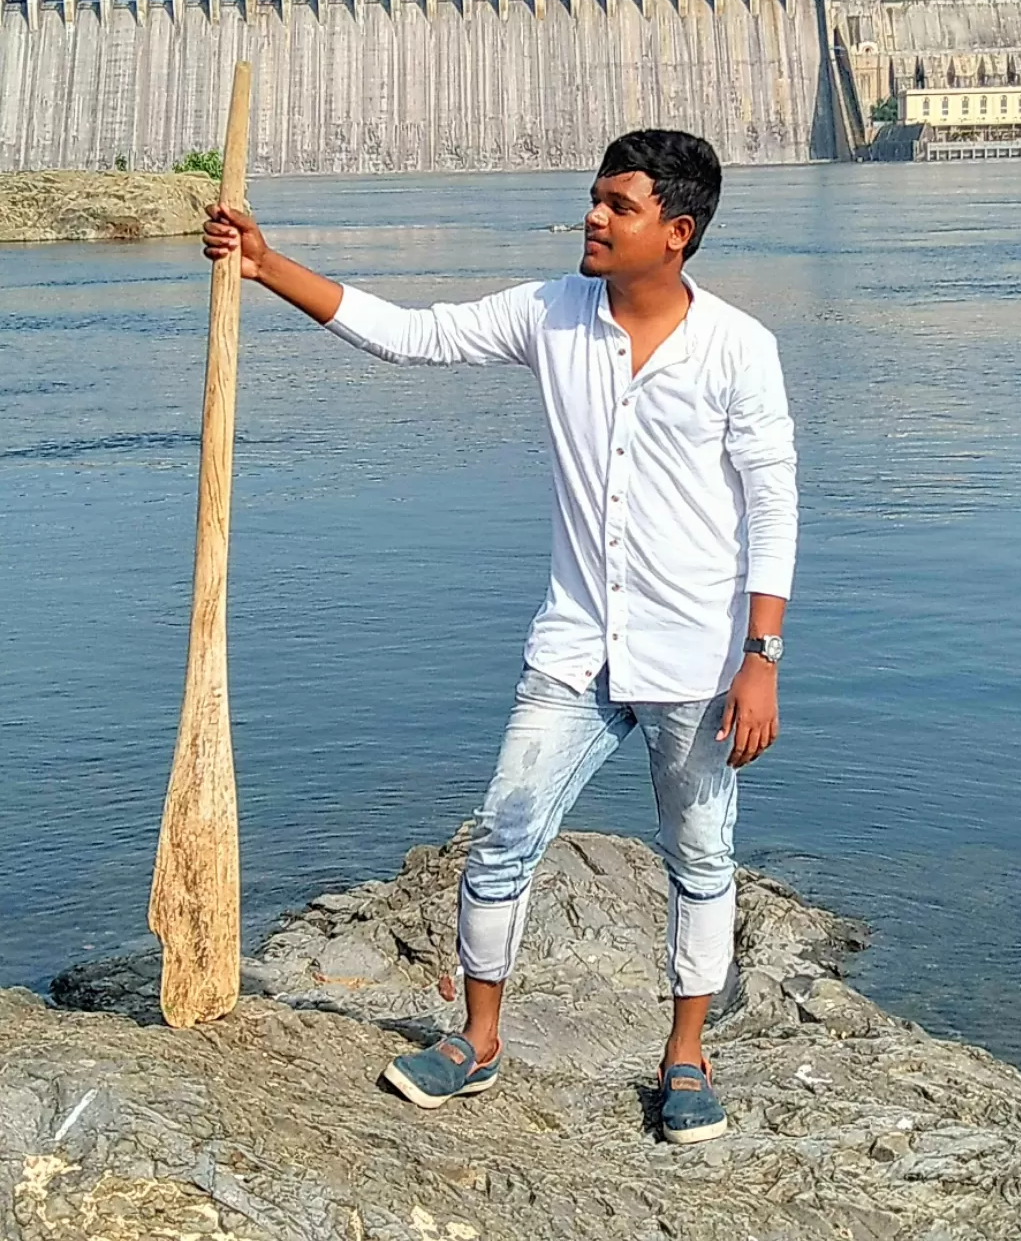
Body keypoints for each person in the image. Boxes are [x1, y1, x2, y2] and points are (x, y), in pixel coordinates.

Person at [202, 129, 797, 1145]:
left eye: (619, 205)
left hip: (697, 659)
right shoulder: (549, 315)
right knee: (501, 837)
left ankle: (686, 1058)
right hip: (575, 645)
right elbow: (409, 335)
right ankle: (476, 1042)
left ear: (678, 231)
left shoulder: (739, 348)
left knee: (702, 858)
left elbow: (774, 507)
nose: (594, 218)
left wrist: (762, 660)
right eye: (594, 199)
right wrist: (266, 267)